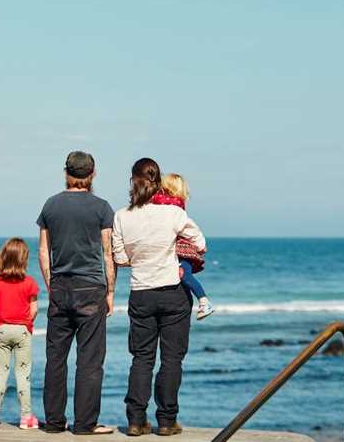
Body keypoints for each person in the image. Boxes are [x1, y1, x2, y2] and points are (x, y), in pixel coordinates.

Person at [112, 158, 206, 437]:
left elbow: (119, 258)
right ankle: (166, 421)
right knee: (172, 359)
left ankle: (135, 420)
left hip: (141, 293)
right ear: (158, 183)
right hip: (173, 292)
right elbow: (201, 243)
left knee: (141, 358)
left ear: (133, 182)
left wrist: (138, 256)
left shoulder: (121, 216)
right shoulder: (173, 215)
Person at [36, 151, 116, 435]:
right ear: (92, 174)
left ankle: (55, 422)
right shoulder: (102, 208)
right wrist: (111, 292)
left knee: (56, 358)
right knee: (90, 360)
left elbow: (44, 251)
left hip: (60, 286)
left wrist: (50, 284)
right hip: (91, 288)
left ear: (65, 172)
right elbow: (107, 253)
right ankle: (85, 424)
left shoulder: (50, 205)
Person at [0, 238, 40, 430]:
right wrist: (26, 323)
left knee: (0, 374)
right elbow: (34, 310)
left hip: (2, 329)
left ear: (4, 257)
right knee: (23, 375)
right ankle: (26, 418)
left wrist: (0, 317)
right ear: (24, 260)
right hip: (23, 331)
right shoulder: (30, 283)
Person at [151, 173, 214, 320]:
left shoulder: (168, 202)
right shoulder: (178, 202)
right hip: (183, 248)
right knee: (183, 274)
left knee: (184, 274)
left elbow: (153, 202)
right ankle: (202, 301)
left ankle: (204, 301)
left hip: (182, 249)